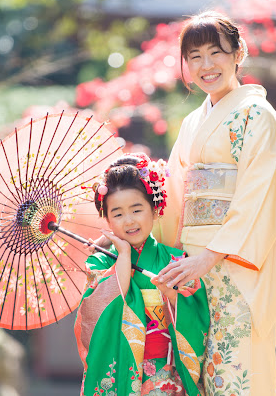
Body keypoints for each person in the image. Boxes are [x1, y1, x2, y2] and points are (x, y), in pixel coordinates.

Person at [153, 10, 276, 395]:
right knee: (196, 379)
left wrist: (209, 257)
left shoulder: (258, 116)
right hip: (191, 274)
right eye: (194, 56)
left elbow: (259, 196)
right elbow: (172, 195)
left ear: (239, 53)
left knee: (235, 376)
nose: (205, 65)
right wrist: (131, 234)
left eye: (215, 52)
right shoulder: (191, 125)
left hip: (236, 268)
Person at [74, 153, 210, 396]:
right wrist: (123, 257)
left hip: (166, 375)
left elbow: (198, 317)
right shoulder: (99, 262)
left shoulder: (175, 260)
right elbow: (95, 320)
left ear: (155, 209)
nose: (129, 221)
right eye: (117, 214)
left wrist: (173, 297)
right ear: (106, 219)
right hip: (122, 372)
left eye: (137, 209)